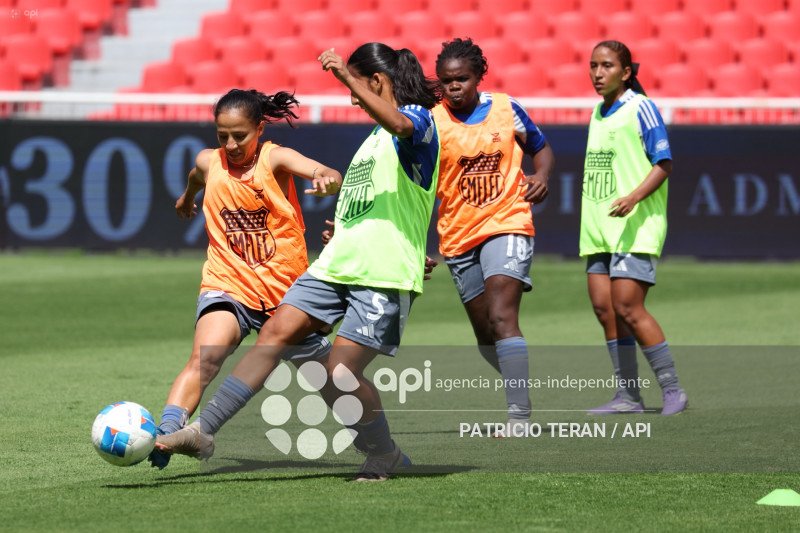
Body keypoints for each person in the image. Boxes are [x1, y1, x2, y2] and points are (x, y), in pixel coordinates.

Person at [156, 43, 442, 481]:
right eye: (223, 136)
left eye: (357, 87)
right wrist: (341, 227)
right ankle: (202, 431)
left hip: (381, 272)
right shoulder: (372, 143)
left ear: (377, 83)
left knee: (339, 373)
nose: (351, 98)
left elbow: (399, 134)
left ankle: (383, 452)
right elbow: (375, 204)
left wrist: (343, 78)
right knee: (274, 333)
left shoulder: (417, 122)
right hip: (333, 266)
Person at [148, 88, 342, 469]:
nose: (231, 144)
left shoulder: (276, 159)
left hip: (286, 292)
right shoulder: (210, 161)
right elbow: (196, 175)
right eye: (223, 136)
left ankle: (376, 442)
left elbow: (324, 170)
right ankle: (165, 435)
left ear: (259, 128)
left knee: (331, 381)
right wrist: (187, 198)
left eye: (240, 135)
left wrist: (326, 179)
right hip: (228, 281)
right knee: (205, 358)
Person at [431, 38, 555, 432]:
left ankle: (518, 417)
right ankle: (521, 389)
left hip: (507, 221)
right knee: (487, 335)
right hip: (458, 234)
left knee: (502, 317)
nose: (454, 87)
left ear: (478, 76)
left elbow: (542, 147)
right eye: (446, 81)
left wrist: (542, 175)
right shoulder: (432, 121)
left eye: (462, 79)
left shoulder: (506, 108)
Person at [581, 40, 688, 415]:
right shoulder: (598, 112)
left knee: (628, 306)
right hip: (599, 230)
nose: (597, 73)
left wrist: (633, 198)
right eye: (593, 65)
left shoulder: (640, 107)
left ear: (626, 72)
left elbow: (663, 163)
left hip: (633, 227)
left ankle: (673, 390)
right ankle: (629, 396)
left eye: (607, 66)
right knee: (605, 310)